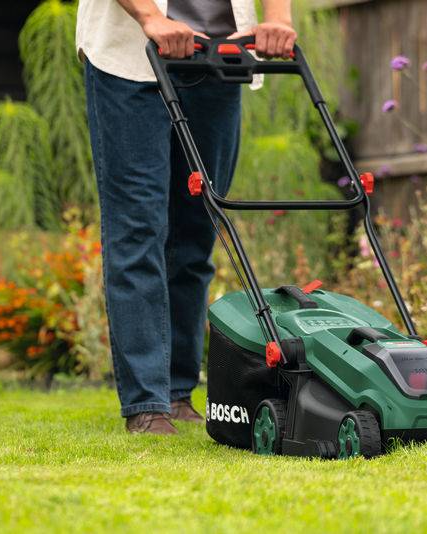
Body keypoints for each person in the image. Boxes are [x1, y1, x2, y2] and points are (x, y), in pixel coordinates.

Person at [76, 0, 296, 434]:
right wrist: (150, 17)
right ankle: (147, 402)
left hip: (220, 56)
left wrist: (279, 20)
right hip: (132, 59)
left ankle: (177, 393)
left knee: (197, 232)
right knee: (138, 227)